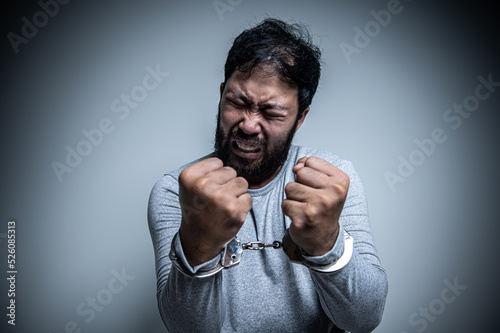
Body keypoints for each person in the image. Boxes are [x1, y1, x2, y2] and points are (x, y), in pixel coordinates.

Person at [148, 18, 388, 332]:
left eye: (271, 112)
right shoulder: (177, 191)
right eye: (237, 102)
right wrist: (198, 246)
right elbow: (189, 329)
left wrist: (327, 245)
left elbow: (362, 320)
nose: (248, 124)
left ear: (300, 118)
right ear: (221, 95)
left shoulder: (331, 182)